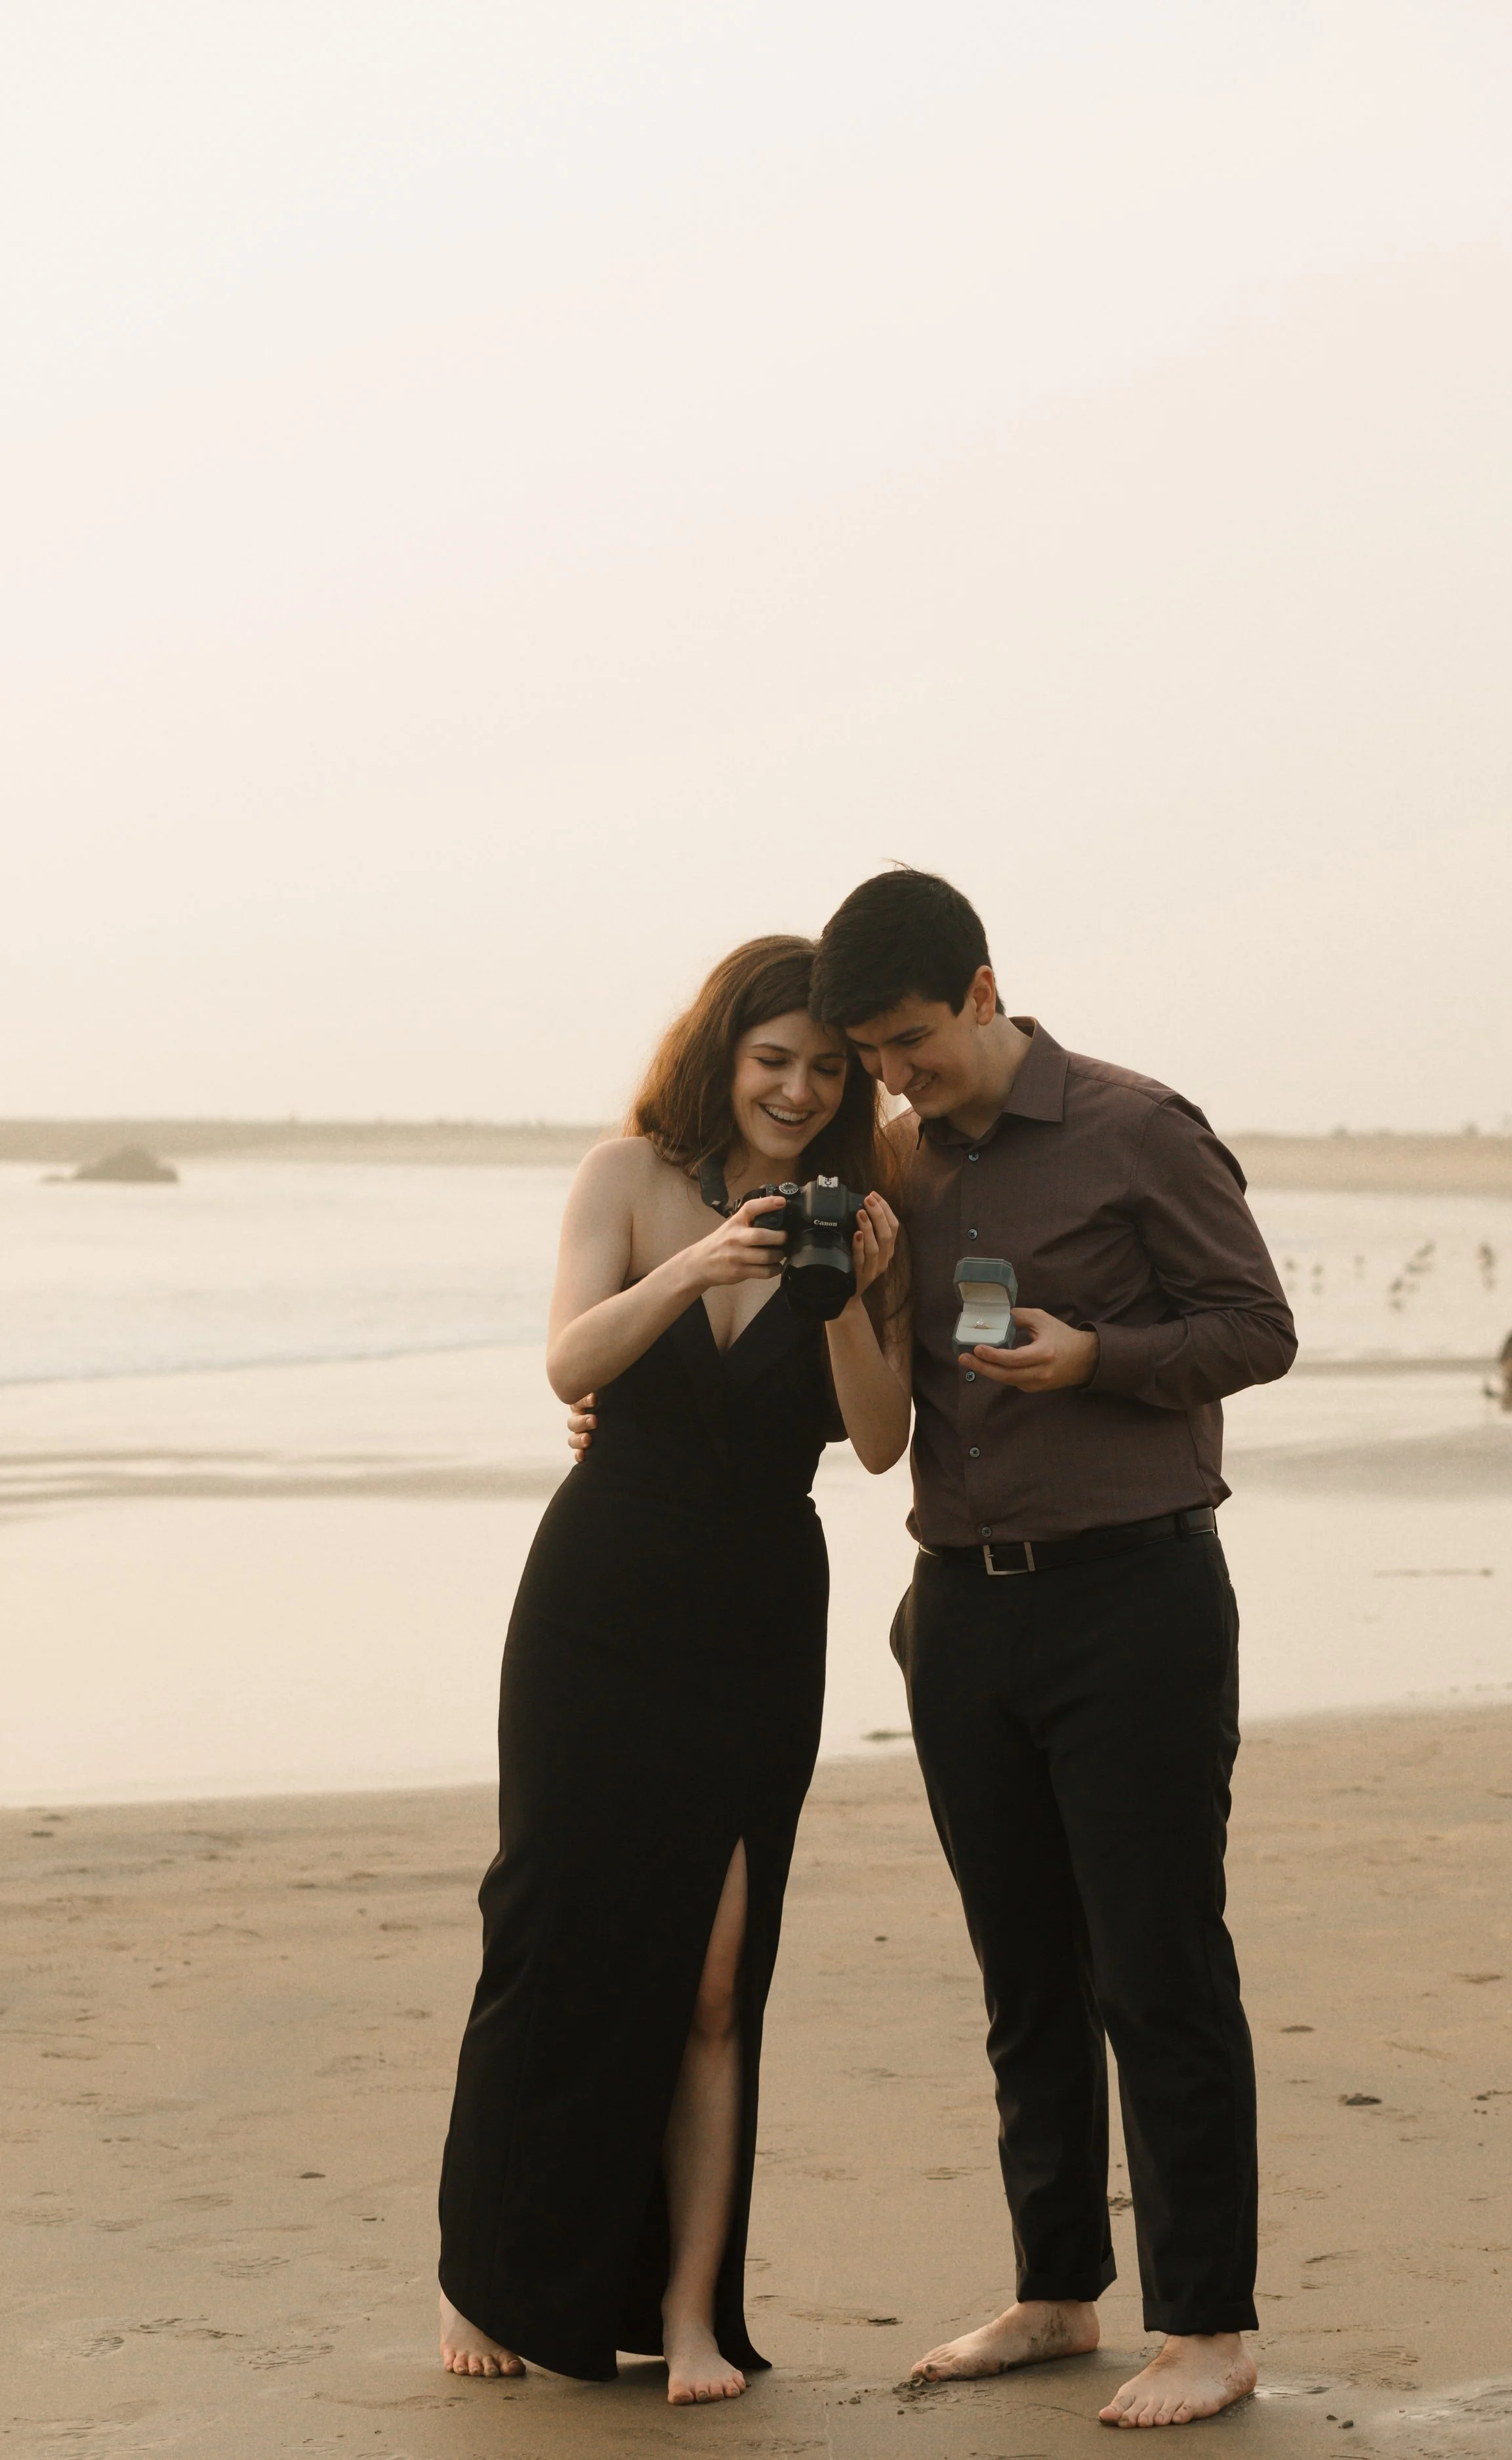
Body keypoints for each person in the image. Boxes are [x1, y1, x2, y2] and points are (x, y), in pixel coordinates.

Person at [808, 869, 1296, 2430]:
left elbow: (1257, 1328)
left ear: (980, 988)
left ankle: (1206, 2326)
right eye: (869, 1056)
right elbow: (861, 1365)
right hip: (957, 1611)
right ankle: (1053, 2293)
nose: (893, 1077)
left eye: (908, 1041)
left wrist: (1100, 1359)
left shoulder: (1135, 1128)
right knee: (1022, 1975)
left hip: (1132, 1601)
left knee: (1155, 1968)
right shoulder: (897, 1164)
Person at [439, 935, 909, 2405]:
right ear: (721, 1052)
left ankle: (691, 2315)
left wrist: (845, 1294)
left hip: (757, 1609)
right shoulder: (626, 1178)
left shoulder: (862, 1217)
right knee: (547, 1930)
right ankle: (482, 2272)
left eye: (824, 1068)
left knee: (716, 1978)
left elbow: (880, 1440)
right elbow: (571, 1363)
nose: (797, 1089)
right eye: (773, 1059)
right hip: (598, 1598)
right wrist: (700, 1261)